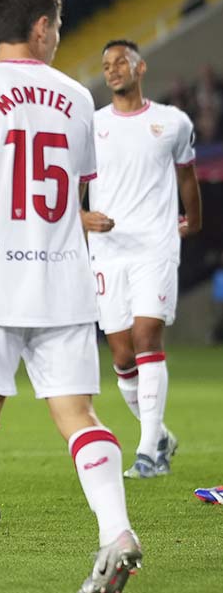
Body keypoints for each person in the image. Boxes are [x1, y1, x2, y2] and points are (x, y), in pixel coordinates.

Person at [0, 0, 140, 593]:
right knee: (77, 414)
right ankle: (116, 530)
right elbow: (71, 198)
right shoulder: (76, 97)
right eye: (60, 26)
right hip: (64, 280)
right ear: (41, 27)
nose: (59, 36)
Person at [89, 39, 201, 479]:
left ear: (140, 68)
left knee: (146, 336)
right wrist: (80, 216)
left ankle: (148, 454)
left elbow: (187, 176)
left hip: (155, 244)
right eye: (106, 64)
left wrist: (192, 219)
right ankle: (159, 435)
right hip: (108, 251)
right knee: (121, 355)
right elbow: (76, 181)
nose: (113, 70)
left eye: (120, 62)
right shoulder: (92, 125)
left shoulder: (171, 122)